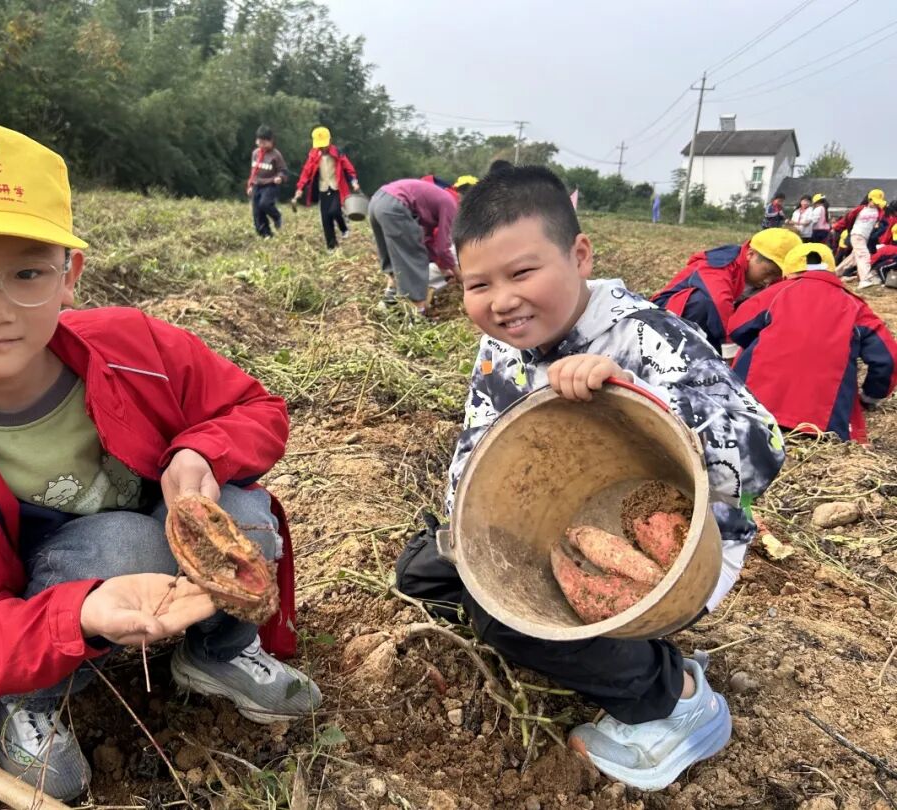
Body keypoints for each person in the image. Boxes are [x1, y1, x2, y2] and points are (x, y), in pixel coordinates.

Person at [0, 114, 321, 802]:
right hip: (44, 606)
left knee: (243, 511)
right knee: (122, 542)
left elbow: (256, 407)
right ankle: (30, 700)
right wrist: (80, 615)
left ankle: (217, 650)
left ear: (69, 275)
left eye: (26, 272)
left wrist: (200, 450)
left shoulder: (134, 347)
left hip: (153, 545)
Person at [395, 165, 785, 791]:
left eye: (522, 273)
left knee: (504, 621)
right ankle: (569, 634)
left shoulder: (649, 336)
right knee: (422, 570)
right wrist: (471, 534)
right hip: (564, 522)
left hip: (686, 549)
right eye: (479, 284)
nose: (502, 300)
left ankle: (679, 699)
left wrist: (644, 400)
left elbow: (762, 450)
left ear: (579, 255)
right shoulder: (503, 344)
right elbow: (479, 445)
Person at [729, 243, 897, 442]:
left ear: (789, 271)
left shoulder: (776, 293)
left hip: (754, 409)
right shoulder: (855, 306)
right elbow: (888, 358)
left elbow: (736, 328)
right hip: (824, 424)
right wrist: (871, 396)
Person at [651, 228, 801, 353]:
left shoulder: (769, 279)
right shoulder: (719, 263)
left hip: (714, 326)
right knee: (702, 302)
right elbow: (718, 303)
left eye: (776, 275)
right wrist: (730, 351)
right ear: (750, 254)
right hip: (665, 316)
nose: (769, 280)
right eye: (768, 273)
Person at [368, 178, 459, 317]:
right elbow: (443, 248)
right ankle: (418, 314)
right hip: (395, 204)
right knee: (414, 257)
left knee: (393, 256)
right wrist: (459, 274)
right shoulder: (451, 205)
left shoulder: (437, 200)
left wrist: (444, 270)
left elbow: (428, 241)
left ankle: (388, 302)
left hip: (377, 200)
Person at [292, 126, 360, 250]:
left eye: (324, 145)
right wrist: (300, 188)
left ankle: (344, 227)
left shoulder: (337, 153)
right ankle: (331, 246)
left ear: (329, 141)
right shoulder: (313, 155)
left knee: (334, 211)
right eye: (320, 146)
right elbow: (306, 172)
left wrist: (354, 181)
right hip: (323, 188)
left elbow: (348, 168)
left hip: (337, 188)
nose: (322, 148)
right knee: (326, 218)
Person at [833, 189, 887, 288]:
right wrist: (836, 227)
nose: (876, 204)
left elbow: (883, 223)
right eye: (874, 202)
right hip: (857, 234)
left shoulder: (879, 211)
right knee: (864, 255)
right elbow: (847, 219)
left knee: (852, 259)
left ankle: (835, 273)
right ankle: (864, 280)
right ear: (869, 199)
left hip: (865, 238)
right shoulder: (860, 209)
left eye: (878, 202)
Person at [246, 124, 287, 239]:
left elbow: (283, 170)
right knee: (257, 211)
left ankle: (277, 216)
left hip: (270, 184)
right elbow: (253, 171)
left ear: (271, 141)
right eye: (259, 142)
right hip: (257, 184)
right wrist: (250, 185)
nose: (262, 145)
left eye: (264, 143)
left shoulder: (276, 155)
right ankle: (266, 234)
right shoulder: (255, 153)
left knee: (265, 204)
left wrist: (280, 177)